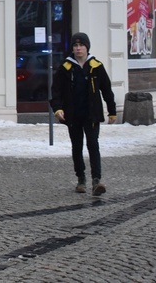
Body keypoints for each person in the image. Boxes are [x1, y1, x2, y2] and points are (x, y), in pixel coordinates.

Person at [50, 32, 116, 196]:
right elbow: (55, 91)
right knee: (77, 147)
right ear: (72, 48)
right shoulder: (65, 67)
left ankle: (96, 180)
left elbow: (106, 90)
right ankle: (81, 178)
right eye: (75, 45)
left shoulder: (96, 66)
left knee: (93, 145)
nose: (78, 48)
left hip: (91, 114)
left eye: (81, 45)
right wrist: (57, 109)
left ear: (87, 47)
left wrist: (112, 110)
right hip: (73, 115)